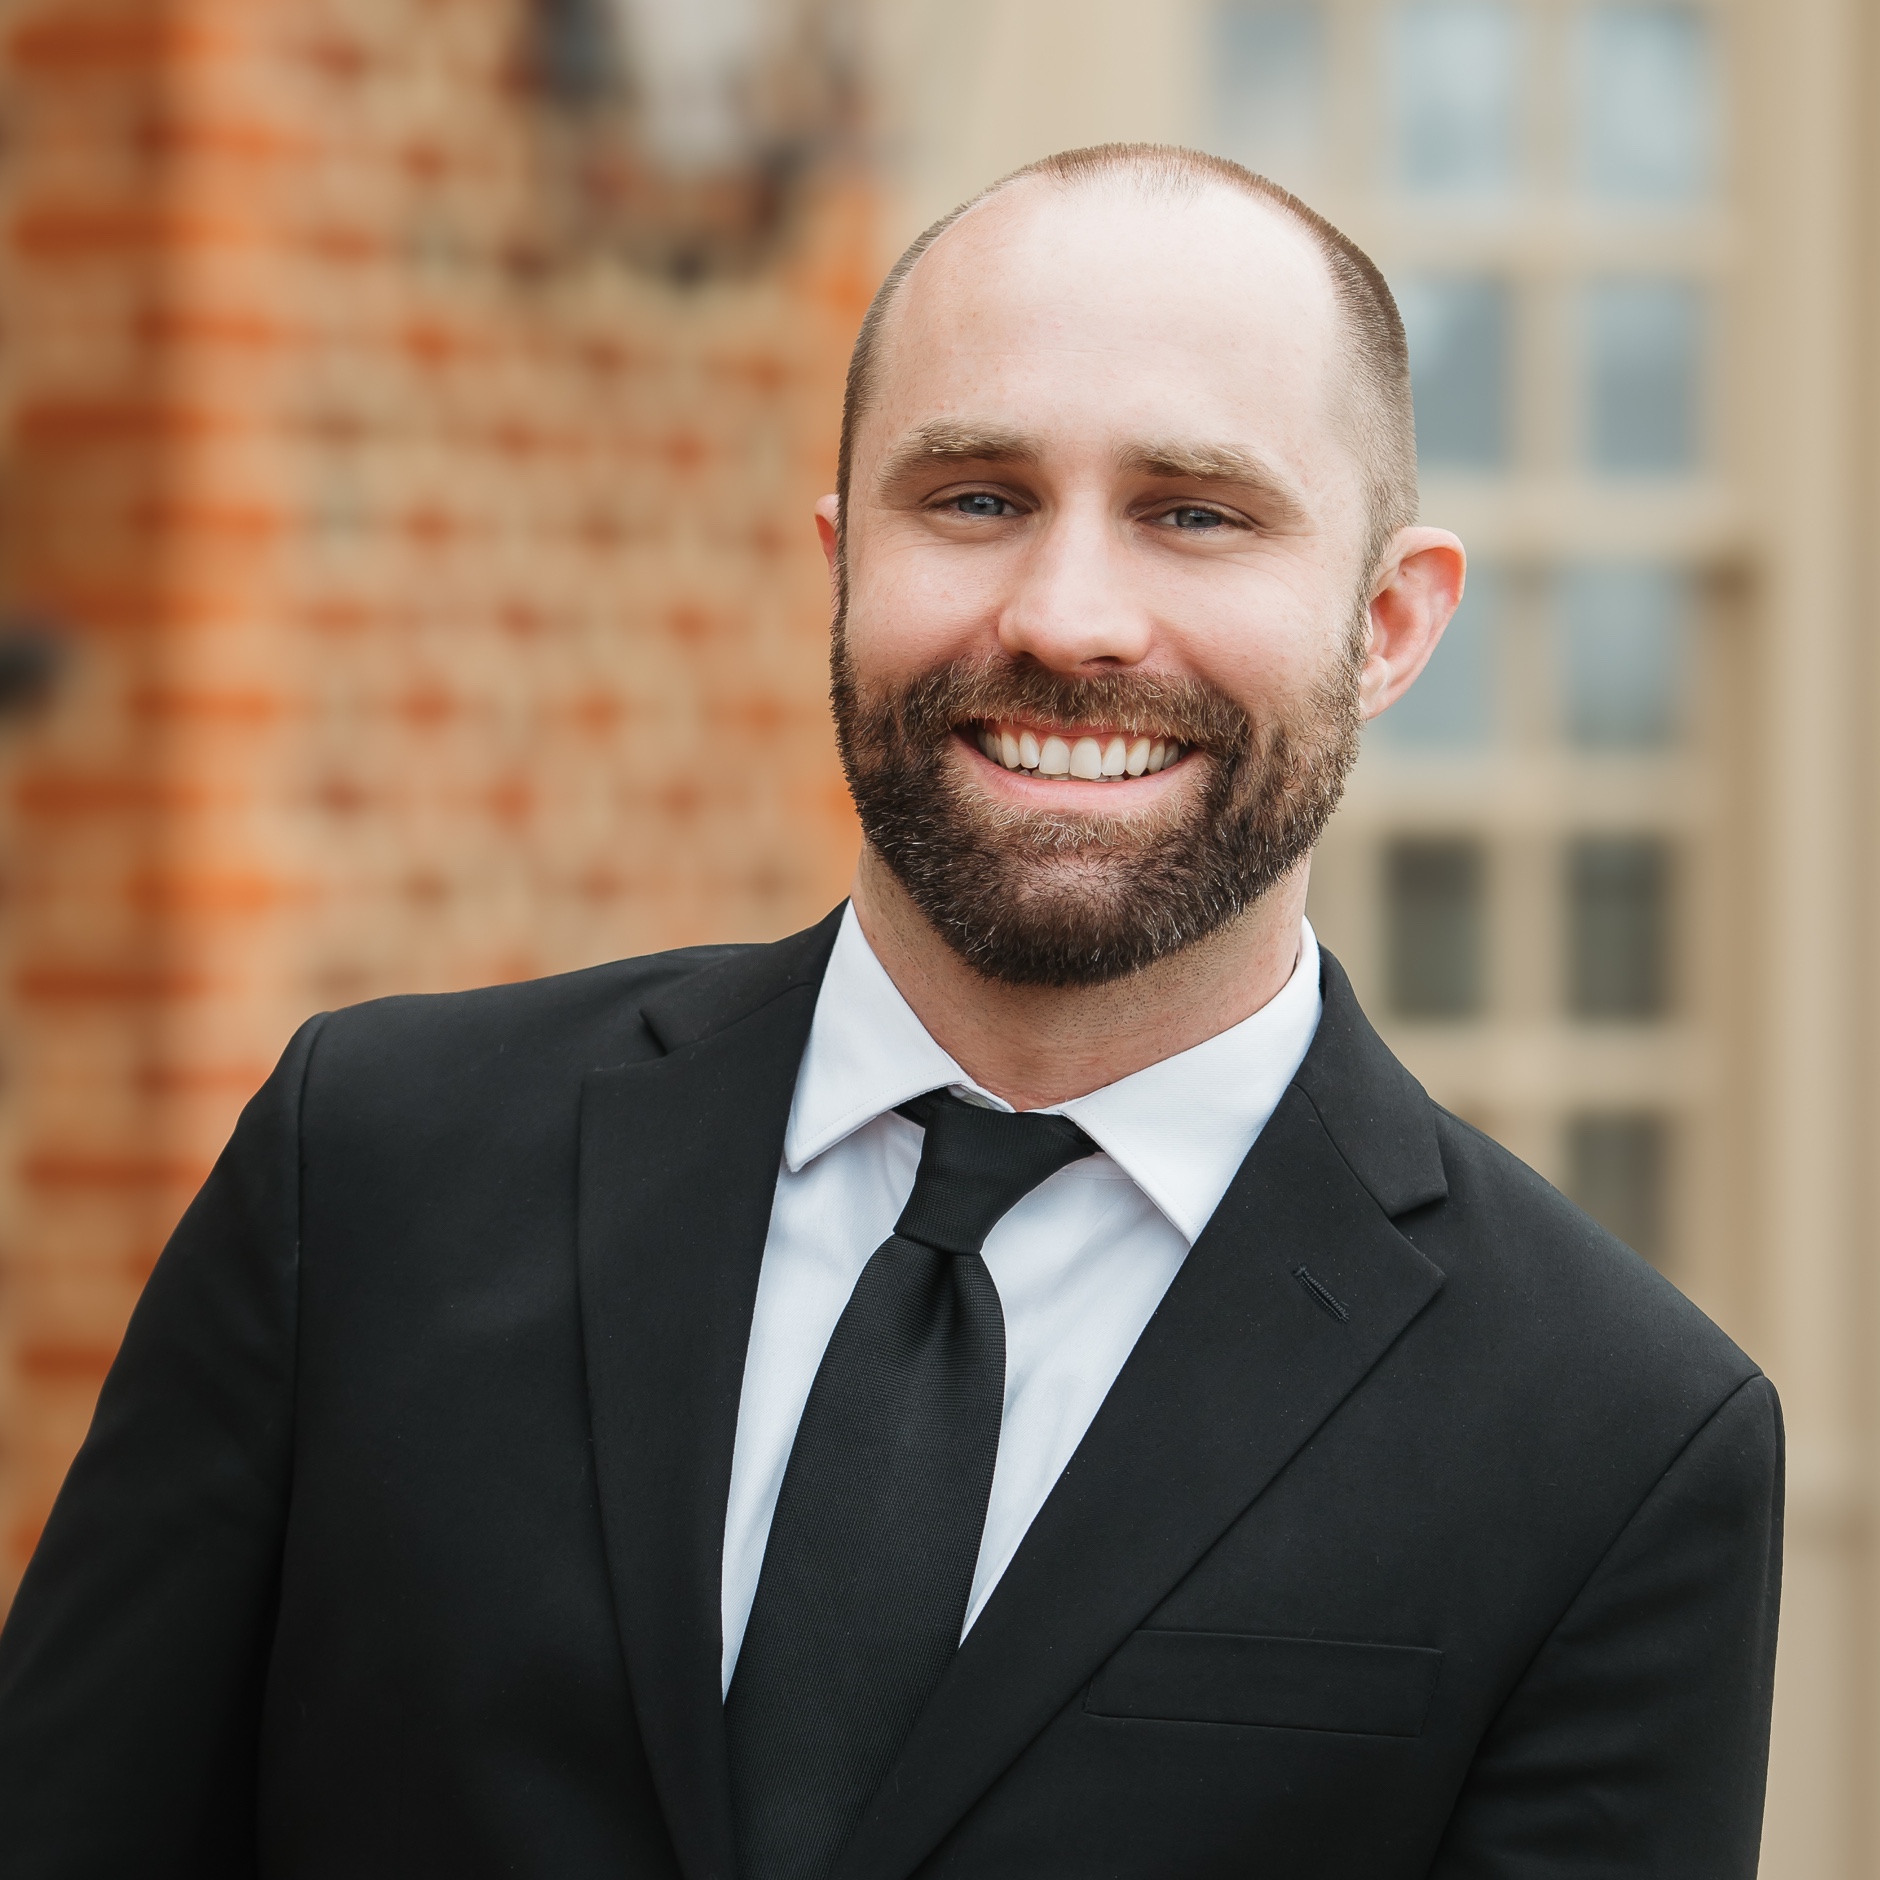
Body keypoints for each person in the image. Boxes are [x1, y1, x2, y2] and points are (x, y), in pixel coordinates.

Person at [0, 144, 1780, 1880]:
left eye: (1197, 513)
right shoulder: (371, 1168)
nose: (1069, 615)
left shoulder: (1618, 1437)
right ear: (846, 561)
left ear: (1389, 624)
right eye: (979, 498)